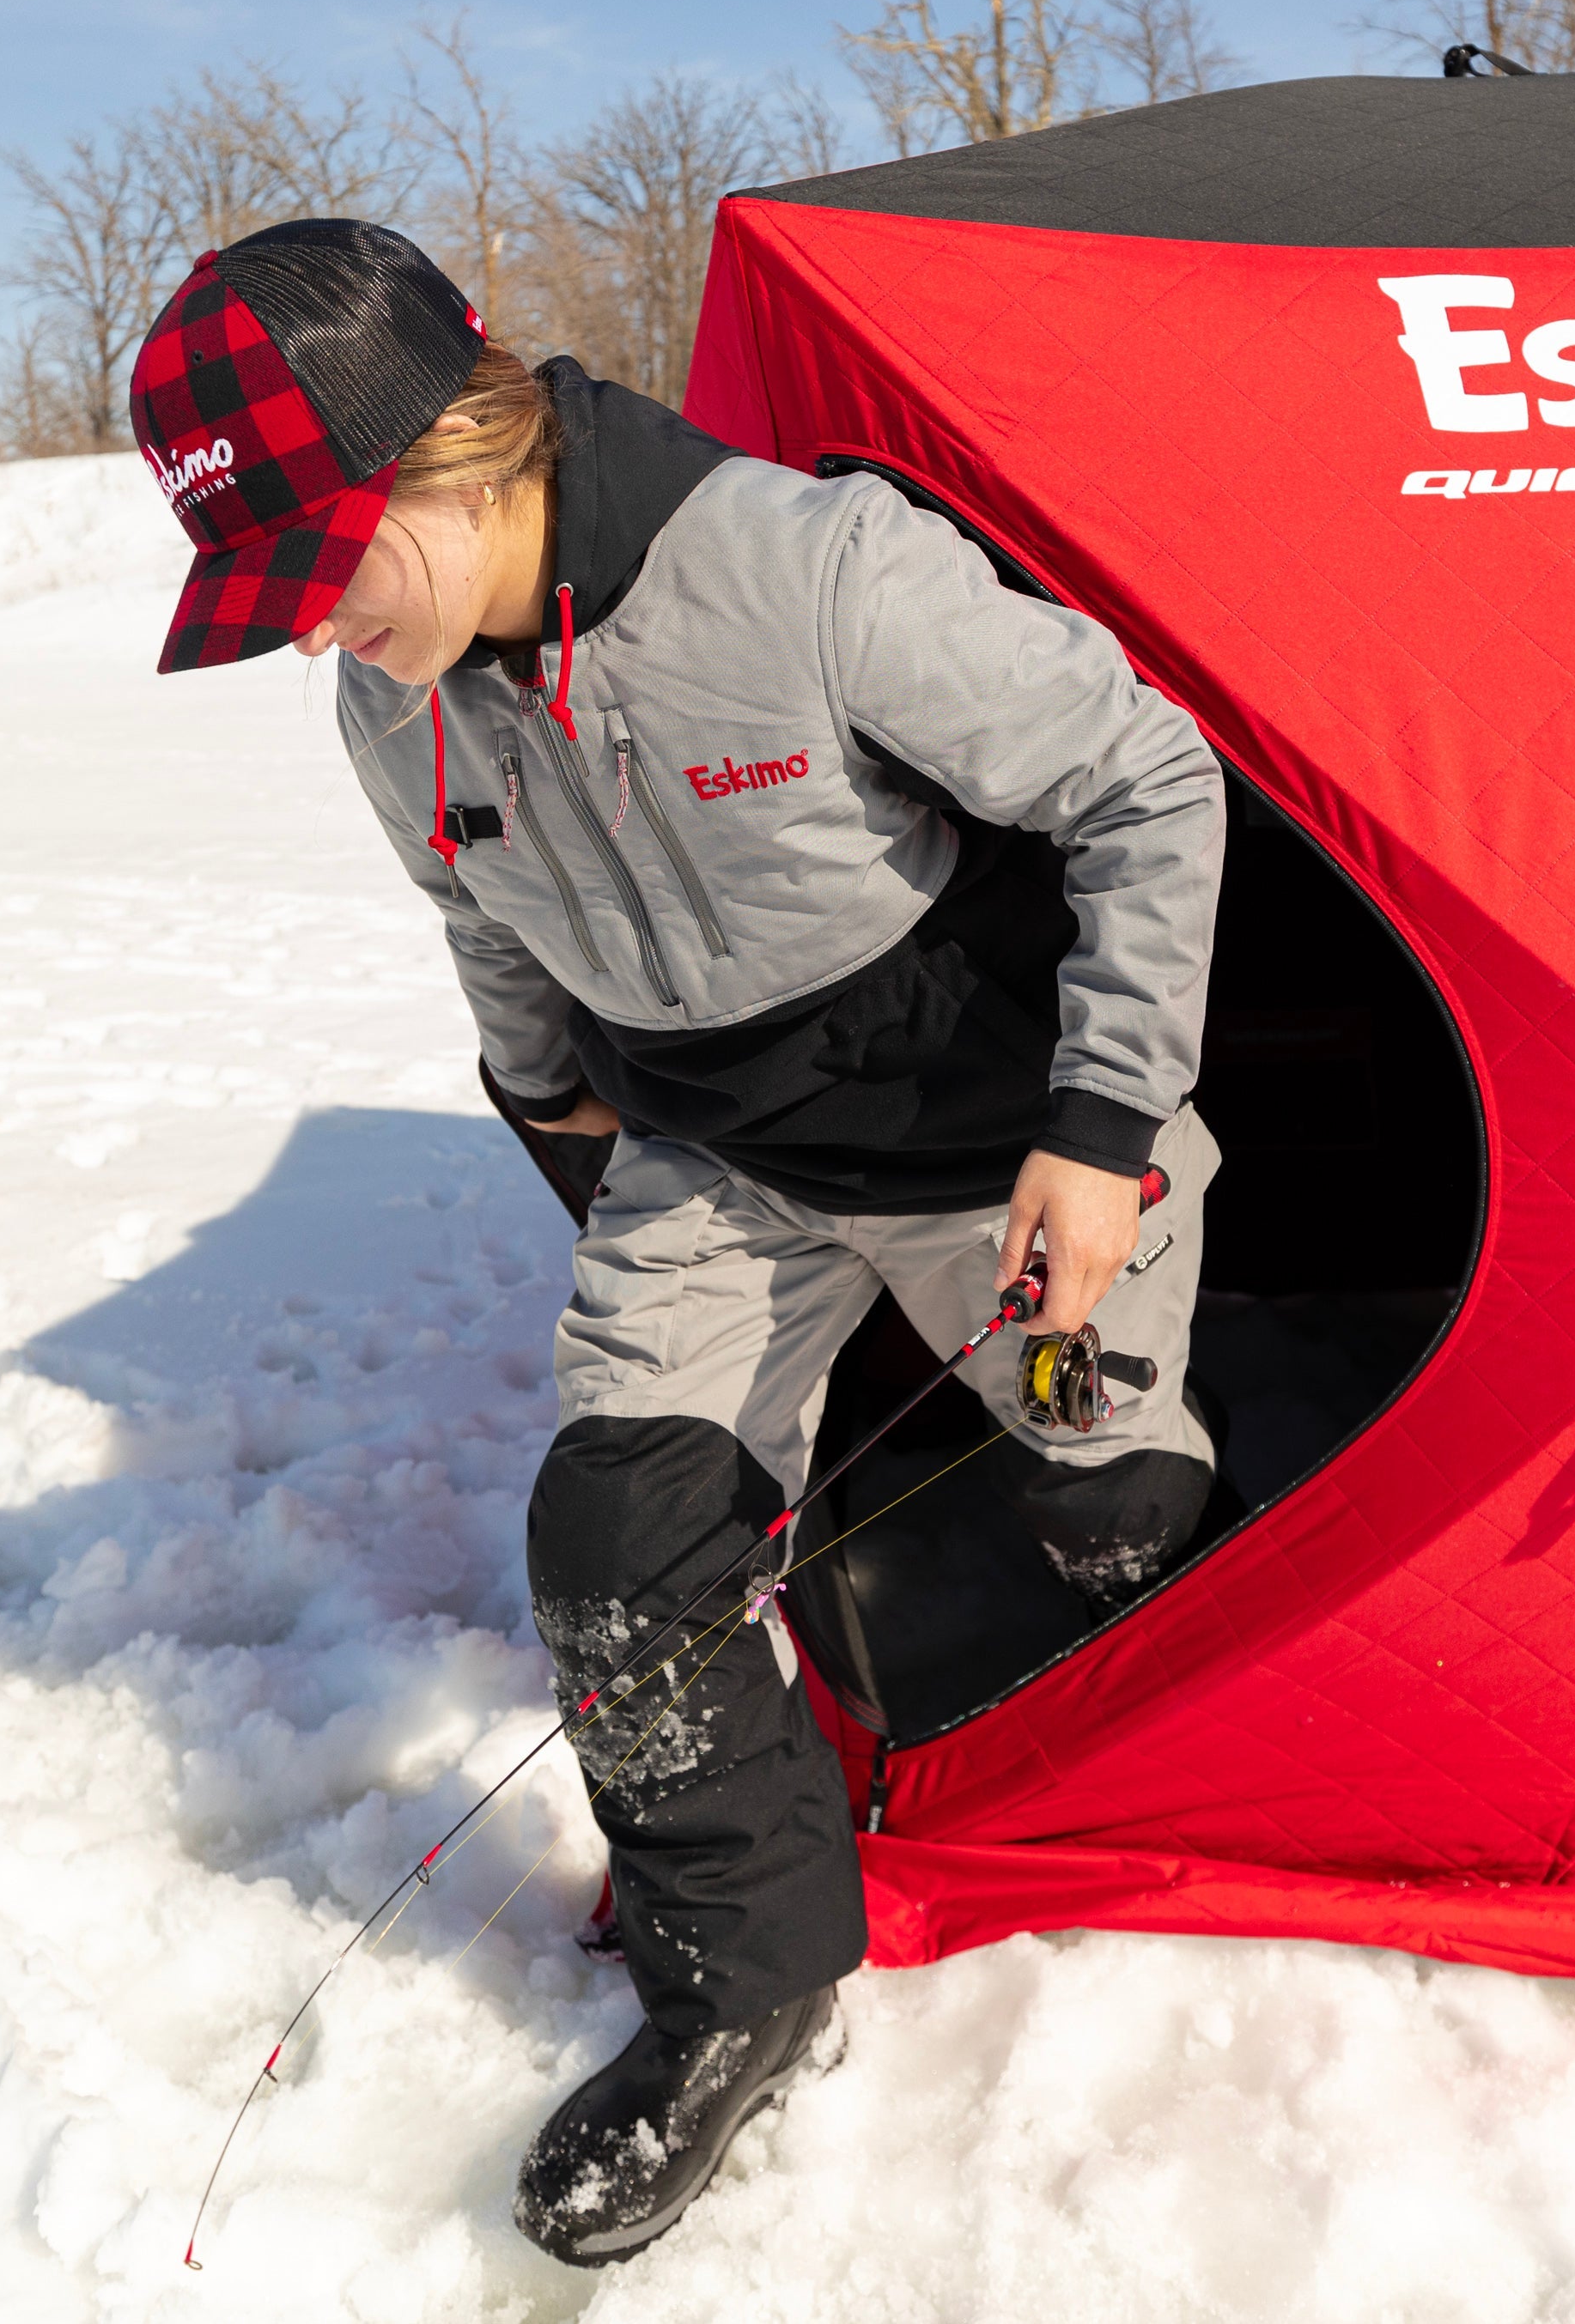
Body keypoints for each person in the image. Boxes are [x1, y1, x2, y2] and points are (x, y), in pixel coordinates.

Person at [131, 220, 1225, 2266]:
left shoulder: (806, 569)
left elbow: (1150, 784)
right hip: (720, 1161)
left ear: (459, 454)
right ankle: (745, 1989)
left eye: (322, 569)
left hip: (998, 1143)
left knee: (1115, 1512)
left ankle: (1108, 1515)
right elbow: (482, 913)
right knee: (615, 1551)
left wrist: (1101, 1131)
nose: (310, 635)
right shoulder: (390, 697)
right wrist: (547, 1099)